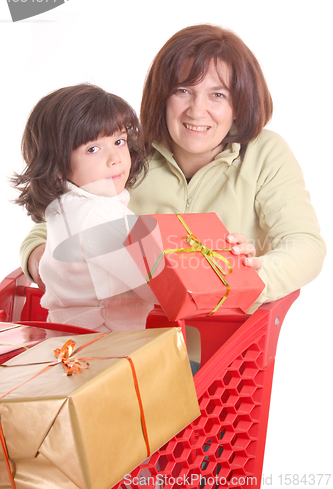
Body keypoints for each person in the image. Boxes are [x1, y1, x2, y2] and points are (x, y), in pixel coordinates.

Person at [19, 24, 326, 313]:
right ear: (162, 97)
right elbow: (58, 222)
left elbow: (304, 244)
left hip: (227, 337)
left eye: (217, 95)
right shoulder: (126, 154)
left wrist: (248, 276)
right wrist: (56, 271)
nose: (197, 110)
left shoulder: (264, 153)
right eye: (183, 90)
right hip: (134, 330)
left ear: (239, 106)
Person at [12, 84, 157, 331]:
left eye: (119, 141)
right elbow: (157, 285)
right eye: (93, 149)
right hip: (111, 349)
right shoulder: (102, 215)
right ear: (57, 164)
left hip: (71, 346)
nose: (115, 158)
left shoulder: (64, 209)